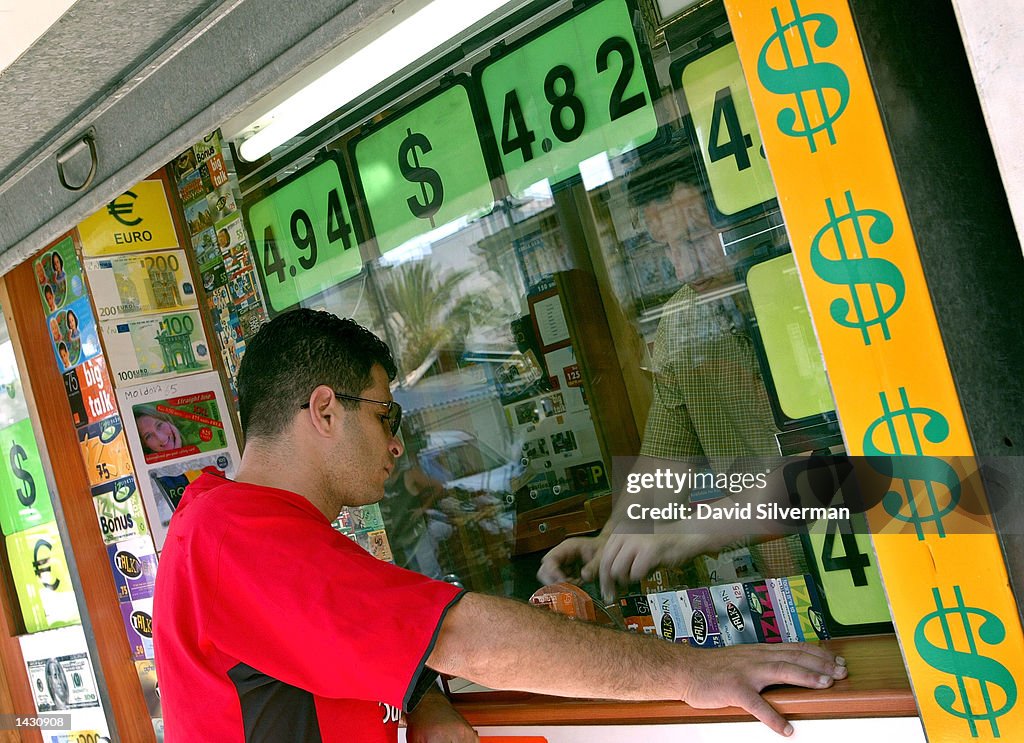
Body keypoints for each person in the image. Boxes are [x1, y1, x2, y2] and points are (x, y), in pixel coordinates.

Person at [153, 308, 846, 743]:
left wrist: (417, 695)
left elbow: (859, 483)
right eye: (387, 417)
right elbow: (458, 635)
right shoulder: (231, 537)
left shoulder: (231, 528)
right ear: (326, 409)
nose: (398, 444)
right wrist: (689, 670)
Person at [539, 139, 810, 600]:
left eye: (698, 237)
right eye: (669, 247)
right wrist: (610, 541)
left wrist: (695, 530)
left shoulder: (807, 287)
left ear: (747, 212)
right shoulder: (684, 320)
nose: (687, 267)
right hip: (794, 593)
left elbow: (843, 466)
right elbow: (664, 467)